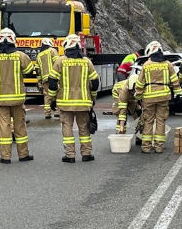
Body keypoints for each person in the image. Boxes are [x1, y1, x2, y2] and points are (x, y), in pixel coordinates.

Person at [0, 28, 37, 163]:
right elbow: (29, 71)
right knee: (19, 126)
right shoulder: (20, 56)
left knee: (4, 127)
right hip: (17, 98)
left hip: (1, 98)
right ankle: (23, 155)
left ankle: (5, 156)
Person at [48, 34, 100, 162]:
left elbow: (52, 82)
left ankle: (70, 155)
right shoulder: (87, 62)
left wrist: (52, 99)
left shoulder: (60, 61)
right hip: (83, 102)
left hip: (65, 103)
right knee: (83, 127)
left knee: (67, 127)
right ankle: (86, 154)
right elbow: (95, 83)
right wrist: (92, 99)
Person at [137, 40, 181, 154]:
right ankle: (159, 147)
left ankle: (146, 147)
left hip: (149, 98)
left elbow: (140, 83)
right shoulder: (167, 64)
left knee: (148, 121)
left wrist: (137, 96)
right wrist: (178, 92)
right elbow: (175, 80)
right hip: (164, 97)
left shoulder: (146, 65)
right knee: (161, 121)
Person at [36, 37, 58, 119]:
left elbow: (37, 70)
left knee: (47, 96)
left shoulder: (39, 55)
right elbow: (57, 63)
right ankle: (57, 111)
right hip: (54, 77)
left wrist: (39, 80)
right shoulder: (52, 51)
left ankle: (47, 113)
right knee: (57, 94)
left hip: (44, 79)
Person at [112, 61, 135, 134]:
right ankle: (120, 133)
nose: (133, 93)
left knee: (137, 112)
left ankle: (139, 135)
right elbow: (123, 110)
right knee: (121, 114)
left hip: (130, 97)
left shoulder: (141, 87)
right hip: (118, 92)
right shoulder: (123, 91)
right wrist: (121, 128)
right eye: (132, 91)